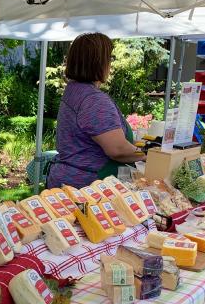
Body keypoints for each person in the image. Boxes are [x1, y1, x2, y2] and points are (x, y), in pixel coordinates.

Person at [46, 33, 145, 188]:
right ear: (98, 62)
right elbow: (117, 149)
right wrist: (147, 154)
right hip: (87, 188)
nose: (110, 64)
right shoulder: (93, 99)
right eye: (109, 59)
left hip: (67, 181)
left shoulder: (74, 90)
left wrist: (142, 147)